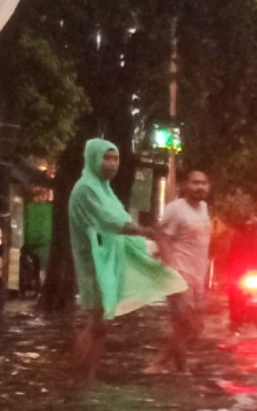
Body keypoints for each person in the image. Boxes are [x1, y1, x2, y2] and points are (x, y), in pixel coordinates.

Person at [66, 137, 187, 374]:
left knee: (100, 324)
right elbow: (112, 222)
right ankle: (78, 378)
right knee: (96, 323)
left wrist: (146, 247)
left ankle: (86, 377)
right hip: (94, 260)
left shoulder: (103, 189)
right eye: (107, 158)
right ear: (93, 158)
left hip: (104, 258)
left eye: (116, 158)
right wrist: (148, 233)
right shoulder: (87, 188)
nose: (112, 164)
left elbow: (118, 221)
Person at [152, 167, 215, 371]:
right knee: (183, 324)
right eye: (195, 182)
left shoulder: (204, 208)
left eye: (203, 183)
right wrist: (170, 266)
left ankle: (159, 363)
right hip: (180, 275)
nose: (199, 187)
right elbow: (160, 234)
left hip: (199, 276)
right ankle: (182, 372)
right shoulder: (175, 208)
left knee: (197, 328)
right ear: (185, 186)